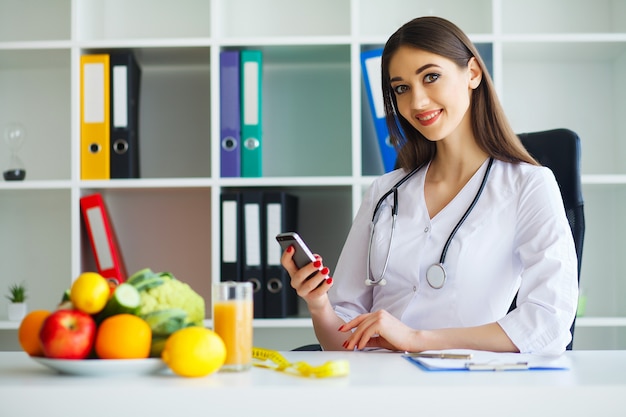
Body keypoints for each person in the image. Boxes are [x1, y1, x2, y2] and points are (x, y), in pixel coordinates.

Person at [280, 16, 578, 355]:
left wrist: (416, 340)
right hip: (376, 388)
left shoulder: (528, 185)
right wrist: (319, 304)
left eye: (431, 77)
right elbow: (343, 341)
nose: (417, 102)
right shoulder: (384, 193)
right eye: (401, 88)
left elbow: (549, 323)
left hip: (462, 387)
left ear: (473, 74)